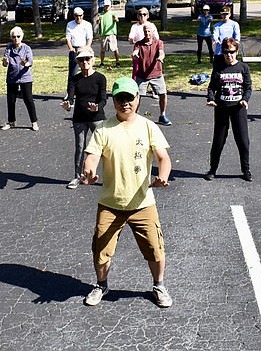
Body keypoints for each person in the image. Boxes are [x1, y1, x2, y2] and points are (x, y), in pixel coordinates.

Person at [79, 77, 173, 308]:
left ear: (138, 99)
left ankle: (159, 285)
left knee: (155, 250)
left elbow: (163, 157)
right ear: (114, 101)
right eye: (120, 98)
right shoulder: (103, 129)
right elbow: (91, 157)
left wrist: (163, 175)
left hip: (143, 203)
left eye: (129, 98)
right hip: (111, 203)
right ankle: (101, 285)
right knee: (101, 251)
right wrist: (88, 172)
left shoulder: (148, 126)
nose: (125, 103)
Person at [205, 37, 252, 181]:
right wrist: (211, 99)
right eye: (226, 52)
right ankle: (212, 169)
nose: (228, 55)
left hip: (238, 108)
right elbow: (212, 87)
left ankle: (246, 170)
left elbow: (248, 87)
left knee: (243, 140)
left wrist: (245, 99)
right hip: (222, 108)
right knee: (218, 140)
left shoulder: (243, 68)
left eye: (231, 52)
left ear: (236, 51)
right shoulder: (218, 67)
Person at [61, 47, 107, 189]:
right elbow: (70, 97)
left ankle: (109, 177)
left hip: (96, 117)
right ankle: (77, 177)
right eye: (81, 60)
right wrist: (68, 105)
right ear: (78, 62)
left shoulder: (100, 78)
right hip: (79, 118)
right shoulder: (75, 79)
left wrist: (97, 107)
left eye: (87, 59)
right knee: (80, 147)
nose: (85, 62)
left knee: (104, 148)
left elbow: (103, 99)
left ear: (93, 60)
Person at [132, 24, 171, 126]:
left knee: (163, 94)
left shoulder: (158, 42)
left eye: (149, 31)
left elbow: (161, 52)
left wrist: (160, 57)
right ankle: (133, 116)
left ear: (153, 32)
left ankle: (162, 115)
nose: (147, 33)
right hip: (142, 75)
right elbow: (135, 52)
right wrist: (135, 54)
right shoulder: (139, 44)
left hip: (156, 73)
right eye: (145, 32)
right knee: (137, 96)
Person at [1, 26, 39, 131]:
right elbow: (5, 62)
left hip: (25, 77)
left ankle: (34, 122)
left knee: (28, 100)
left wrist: (26, 63)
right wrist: (5, 62)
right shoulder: (9, 48)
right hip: (12, 78)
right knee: (11, 100)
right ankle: (11, 121)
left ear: (21, 36)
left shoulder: (26, 48)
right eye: (13, 37)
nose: (16, 39)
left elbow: (30, 61)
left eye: (18, 36)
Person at [65, 7, 93, 87]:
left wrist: (87, 48)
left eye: (80, 16)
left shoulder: (87, 24)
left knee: (86, 70)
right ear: (74, 15)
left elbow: (89, 37)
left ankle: (86, 88)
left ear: (83, 15)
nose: (79, 18)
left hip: (84, 48)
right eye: (77, 16)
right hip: (74, 49)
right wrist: (71, 49)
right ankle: (70, 91)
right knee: (73, 72)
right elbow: (68, 38)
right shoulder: (70, 25)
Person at [98, 0, 121, 67]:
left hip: (112, 33)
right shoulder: (101, 14)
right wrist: (98, 19)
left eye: (108, 6)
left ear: (110, 6)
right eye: (105, 6)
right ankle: (102, 62)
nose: (107, 7)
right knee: (103, 50)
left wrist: (115, 19)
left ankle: (117, 62)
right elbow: (97, 23)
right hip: (103, 34)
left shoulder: (113, 13)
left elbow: (117, 20)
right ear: (104, 6)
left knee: (115, 48)